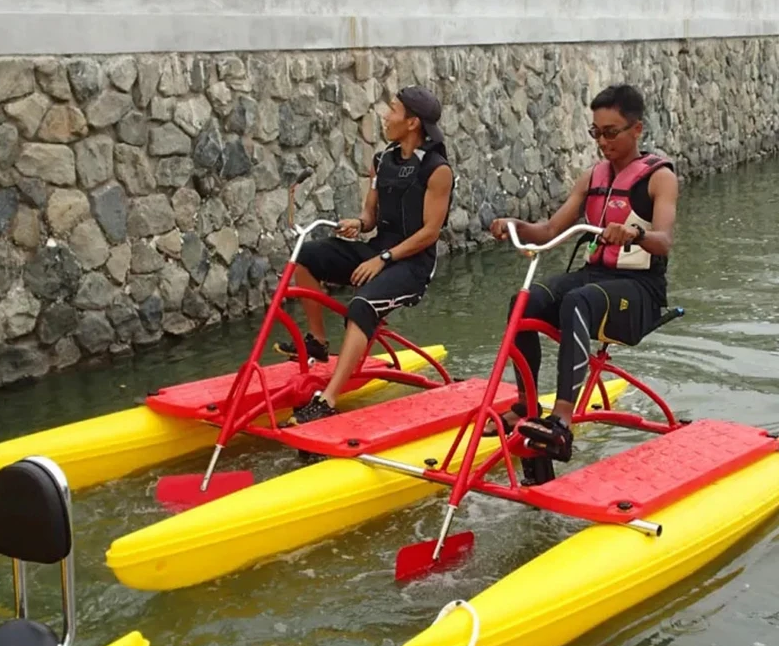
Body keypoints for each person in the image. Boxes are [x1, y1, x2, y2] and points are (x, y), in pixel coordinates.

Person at [486, 83, 679, 463]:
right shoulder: (592, 177)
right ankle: (526, 404)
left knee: (576, 299)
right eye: (596, 132)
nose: (602, 142)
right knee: (525, 301)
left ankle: (561, 421)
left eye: (610, 132)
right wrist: (515, 225)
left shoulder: (660, 177)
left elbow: (664, 241)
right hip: (594, 278)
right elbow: (548, 231)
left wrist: (634, 233)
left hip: (639, 291)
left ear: (636, 129)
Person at [275, 85, 455, 425]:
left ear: (413, 122)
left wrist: (383, 260)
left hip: (412, 264)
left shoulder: (437, 170)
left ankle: (327, 400)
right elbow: (371, 216)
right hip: (378, 250)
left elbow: (430, 233)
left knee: (362, 305)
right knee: (307, 254)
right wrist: (358, 223)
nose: (386, 116)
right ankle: (317, 342)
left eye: (393, 110)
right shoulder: (382, 160)